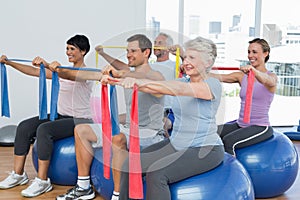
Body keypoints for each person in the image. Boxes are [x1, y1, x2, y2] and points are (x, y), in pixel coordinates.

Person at [107, 36, 224, 200]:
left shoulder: (212, 84)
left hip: (204, 148)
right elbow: (161, 91)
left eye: (192, 58)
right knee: (130, 164)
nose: (186, 61)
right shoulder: (181, 80)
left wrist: (138, 82)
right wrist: (118, 80)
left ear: (207, 62)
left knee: (157, 174)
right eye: (186, 57)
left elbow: (179, 89)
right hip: (176, 143)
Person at [56, 34, 166, 200]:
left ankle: (118, 195)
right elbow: (120, 67)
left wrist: (121, 74)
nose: (129, 54)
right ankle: (84, 187)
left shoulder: (156, 75)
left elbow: (146, 78)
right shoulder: (129, 72)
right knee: (81, 130)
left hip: (150, 134)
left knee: (117, 138)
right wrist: (103, 55)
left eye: (133, 51)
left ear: (146, 53)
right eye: (127, 51)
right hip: (129, 129)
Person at [0, 34, 102, 198]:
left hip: (79, 120)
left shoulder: (86, 73)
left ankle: (42, 181)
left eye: (72, 49)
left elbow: (69, 75)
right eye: (67, 48)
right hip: (60, 115)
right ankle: (18, 175)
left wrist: (50, 65)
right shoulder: (60, 72)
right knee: (24, 126)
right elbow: (34, 71)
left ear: (83, 51)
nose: (68, 52)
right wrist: (9, 63)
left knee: (44, 130)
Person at [211, 38, 277, 156]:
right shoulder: (242, 76)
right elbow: (217, 76)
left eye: (254, 52)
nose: (250, 55)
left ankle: (232, 173)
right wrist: (194, 70)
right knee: (211, 132)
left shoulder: (271, 77)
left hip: (260, 126)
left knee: (229, 141)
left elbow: (267, 80)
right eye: (249, 52)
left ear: (266, 53)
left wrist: (254, 71)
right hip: (241, 124)